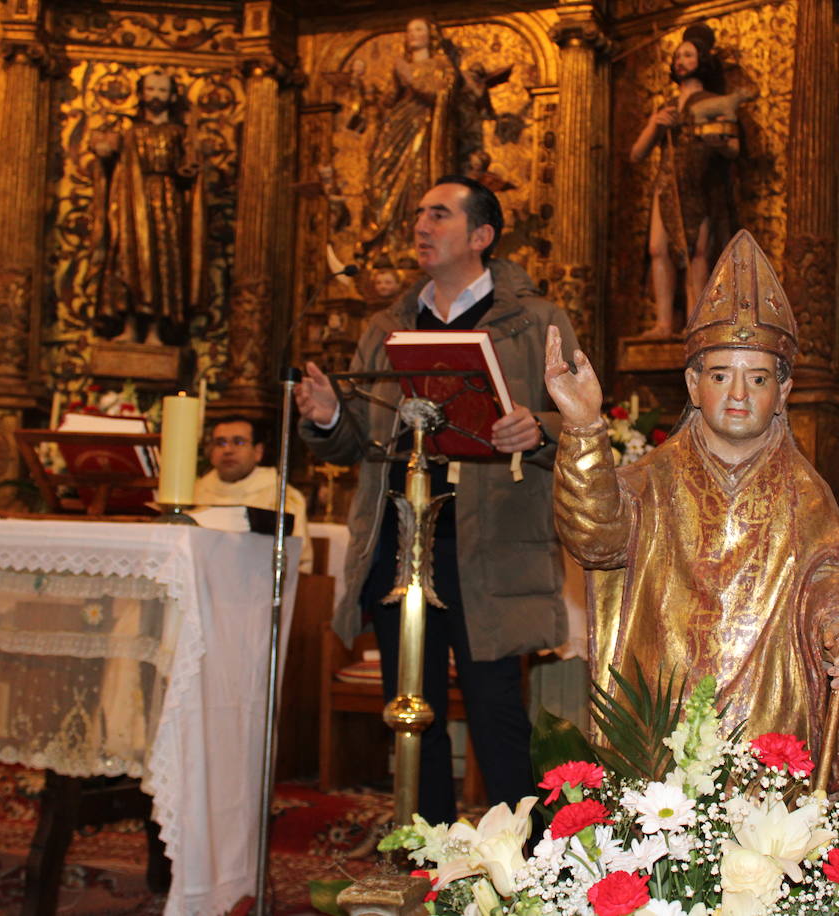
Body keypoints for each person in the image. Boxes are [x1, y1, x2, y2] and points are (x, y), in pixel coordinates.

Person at [544, 230, 839, 790]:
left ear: (783, 392)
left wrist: (838, 627)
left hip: (770, 713)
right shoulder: (650, 481)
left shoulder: (806, 492)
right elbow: (594, 536)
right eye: (721, 375)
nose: (739, 394)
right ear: (694, 384)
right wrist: (582, 429)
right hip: (662, 715)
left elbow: (832, 573)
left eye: (759, 378)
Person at [296, 175, 577, 824]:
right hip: (402, 546)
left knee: (495, 712)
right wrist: (331, 416)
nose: (421, 226)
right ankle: (428, 860)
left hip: (490, 550)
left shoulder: (537, 323)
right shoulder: (387, 326)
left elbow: (586, 427)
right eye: (419, 214)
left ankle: (523, 874)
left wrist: (538, 428)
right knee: (411, 713)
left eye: (440, 215)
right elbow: (358, 447)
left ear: (482, 236)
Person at [629, 23, 741, 339]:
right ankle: (664, 322)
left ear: (702, 60)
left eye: (688, 55)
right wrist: (655, 124)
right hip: (667, 183)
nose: (680, 61)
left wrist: (717, 141)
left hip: (701, 185)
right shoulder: (665, 106)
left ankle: (695, 321)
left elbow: (733, 148)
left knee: (698, 251)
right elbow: (637, 153)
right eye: (677, 55)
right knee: (657, 249)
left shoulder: (714, 101)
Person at [90, 70, 206, 345]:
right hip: (132, 202)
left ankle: (156, 330)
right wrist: (104, 153)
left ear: (172, 96)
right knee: (129, 260)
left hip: (167, 207)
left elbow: (191, 171)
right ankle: (129, 326)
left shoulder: (179, 133)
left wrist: (192, 160)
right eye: (152, 90)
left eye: (162, 90)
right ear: (141, 94)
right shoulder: (131, 133)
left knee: (163, 264)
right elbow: (111, 166)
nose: (156, 96)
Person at [362, 18, 461, 265]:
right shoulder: (401, 65)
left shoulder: (441, 64)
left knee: (417, 183)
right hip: (397, 129)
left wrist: (411, 79)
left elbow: (443, 96)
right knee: (384, 181)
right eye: (409, 31)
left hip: (426, 132)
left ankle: (414, 245)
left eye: (419, 30)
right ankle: (389, 244)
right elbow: (389, 101)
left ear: (431, 35)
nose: (413, 35)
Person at [194, 416, 311, 575]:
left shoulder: (281, 495)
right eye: (220, 443)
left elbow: (298, 559)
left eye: (239, 442)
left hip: (258, 586)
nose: (228, 450)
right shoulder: (195, 493)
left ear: (258, 452)